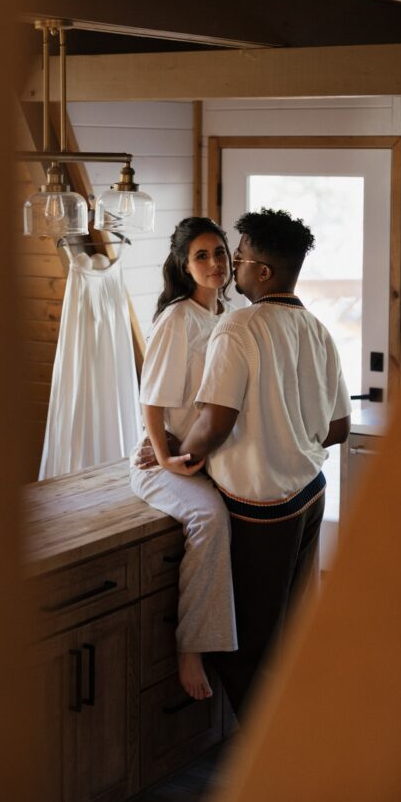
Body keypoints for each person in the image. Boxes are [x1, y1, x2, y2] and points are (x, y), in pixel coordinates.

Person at [154, 207, 352, 717]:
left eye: (237, 257)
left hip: (263, 507)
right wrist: (289, 432)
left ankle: (275, 754)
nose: (231, 267)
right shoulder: (318, 330)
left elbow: (215, 423)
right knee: (290, 630)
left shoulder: (239, 327)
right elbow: (338, 428)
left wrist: (174, 454)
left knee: (245, 648)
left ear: (262, 272)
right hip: (310, 493)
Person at [130, 217, 238, 701]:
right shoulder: (177, 319)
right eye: (201, 256)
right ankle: (190, 647)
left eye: (219, 252)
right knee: (209, 517)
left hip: (200, 452)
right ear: (183, 265)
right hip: (162, 460)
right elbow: (151, 399)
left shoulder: (230, 315)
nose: (214, 263)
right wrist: (163, 456)